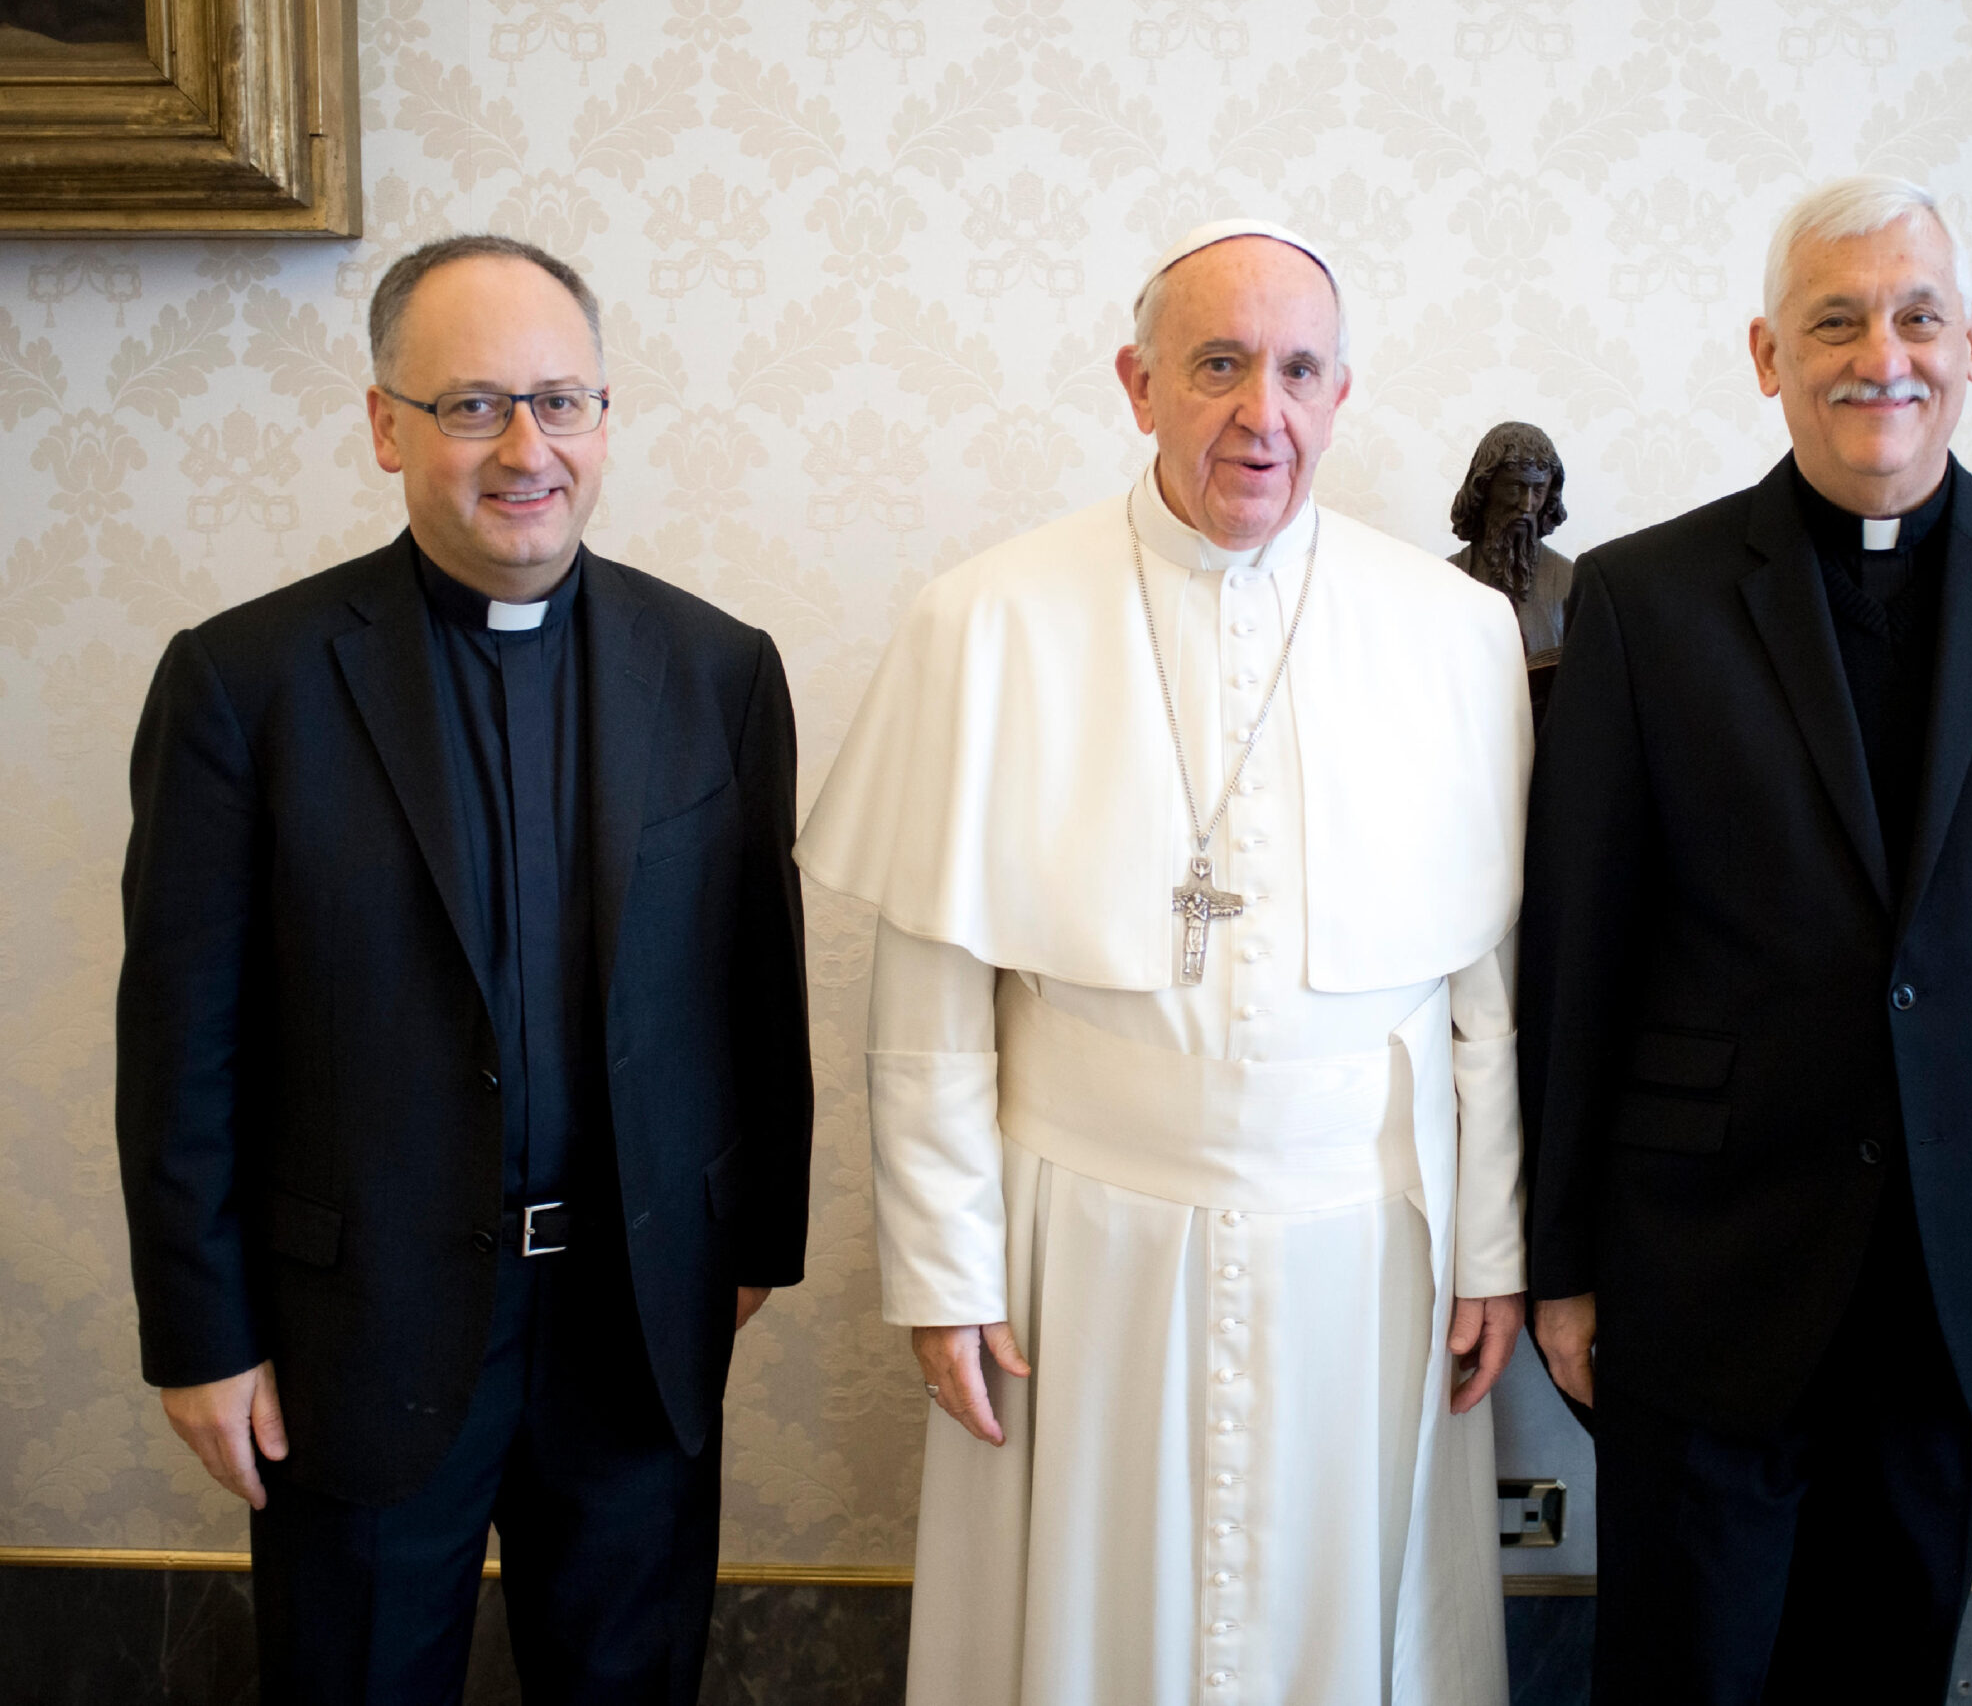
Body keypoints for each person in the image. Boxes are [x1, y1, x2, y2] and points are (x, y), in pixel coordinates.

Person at [796, 219, 1530, 1705]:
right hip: (1082, 1243)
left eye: (1300, 369)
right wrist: (943, 1268)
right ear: (1136, 385)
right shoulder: (987, 619)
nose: (1263, 411)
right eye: (1217, 365)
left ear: (1340, 395)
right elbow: (934, 997)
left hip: (1365, 1246)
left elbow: (1484, 980)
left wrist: (1497, 1244)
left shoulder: (1455, 633)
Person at [1519, 177, 1972, 1702]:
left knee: (1887, 1668)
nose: (1879, 354)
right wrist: (1557, 1259)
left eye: (1915, 316)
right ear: (1768, 355)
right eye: (1835, 320)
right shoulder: (1647, 597)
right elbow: (1579, 954)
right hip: (1703, 1260)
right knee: (1679, 1670)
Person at [114, 234, 813, 1702]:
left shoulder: (719, 666)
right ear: (386, 425)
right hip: (357, 1330)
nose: (525, 448)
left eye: (563, 401)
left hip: (637, 1317)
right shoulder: (246, 683)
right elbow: (182, 1037)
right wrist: (200, 1332)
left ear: (607, 420)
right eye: (473, 404)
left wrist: (752, 1241)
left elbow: (759, 976)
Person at [1448, 420, 1576, 663]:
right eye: (1515, 487)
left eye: (1538, 490)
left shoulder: (1570, 582)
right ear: (1484, 488)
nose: (1526, 505)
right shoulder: (1445, 578)